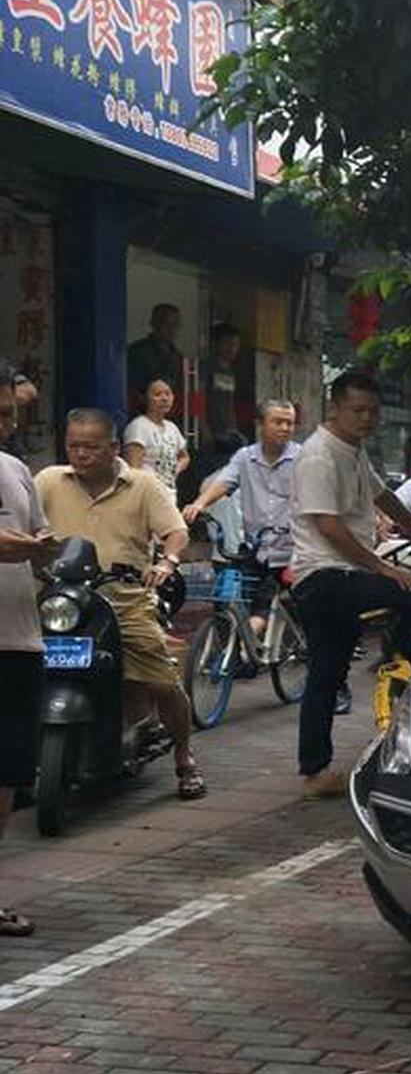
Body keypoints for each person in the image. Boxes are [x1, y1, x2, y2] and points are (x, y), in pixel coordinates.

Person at [35, 409, 206, 801]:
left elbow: (176, 532)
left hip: (123, 601)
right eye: (73, 446)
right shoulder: (48, 481)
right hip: (59, 600)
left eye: (91, 447)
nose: (81, 454)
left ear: (113, 447)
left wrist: (166, 562)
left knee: (162, 680)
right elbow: (28, 525)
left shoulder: (143, 485)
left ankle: (185, 758)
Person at [287, 372, 411, 798]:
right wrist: (384, 568)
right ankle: (401, 678)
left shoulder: (352, 451)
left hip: (343, 576)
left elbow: (381, 495)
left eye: (373, 411)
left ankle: (315, 772)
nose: (367, 418)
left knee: (326, 674)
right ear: (333, 408)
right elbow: (329, 525)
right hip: (326, 576)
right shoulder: (319, 455)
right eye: (357, 410)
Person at [0, 372, 52, 935]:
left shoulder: (16, 470)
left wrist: (47, 553)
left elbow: (38, 544)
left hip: (17, 640)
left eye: (9, 415)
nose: (5, 426)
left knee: (8, 774)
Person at [183, 400, 303, 639]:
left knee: (265, 606)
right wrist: (199, 504)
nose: (284, 428)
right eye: (277, 422)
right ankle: (242, 647)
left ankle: (241, 644)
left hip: (292, 552)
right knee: (237, 598)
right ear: (260, 424)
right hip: (254, 550)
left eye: (289, 423)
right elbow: (224, 481)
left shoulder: (303, 458)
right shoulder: (244, 457)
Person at [124, 379, 189, 499]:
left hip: (170, 495)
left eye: (168, 394)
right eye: (157, 394)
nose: (164, 398)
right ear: (145, 398)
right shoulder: (138, 426)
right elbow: (133, 470)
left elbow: (184, 457)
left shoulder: (172, 427)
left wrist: (175, 470)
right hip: (148, 497)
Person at [127, 303, 187, 418]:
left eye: (176, 324)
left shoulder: (178, 357)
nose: (171, 329)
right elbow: (129, 389)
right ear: (153, 323)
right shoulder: (136, 352)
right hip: (141, 415)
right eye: (166, 323)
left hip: (170, 417)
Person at [204, 323, 244, 443]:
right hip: (211, 431)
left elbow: (229, 403)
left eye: (235, 345)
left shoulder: (230, 372)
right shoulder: (206, 367)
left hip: (229, 432)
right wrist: (204, 430)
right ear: (215, 344)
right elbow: (199, 399)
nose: (231, 349)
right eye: (227, 344)